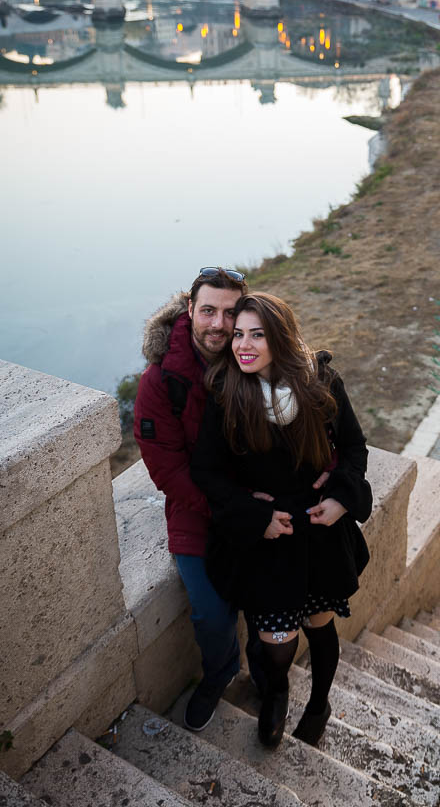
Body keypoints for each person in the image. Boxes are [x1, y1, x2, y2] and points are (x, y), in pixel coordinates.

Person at [191, 292, 372, 749]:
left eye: (257, 335)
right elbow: (206, 472)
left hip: (320, 532)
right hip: (269, 538)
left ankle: (319, 703)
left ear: (281, 339)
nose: (243, 346)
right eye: (238, 335)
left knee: (321, 626)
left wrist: (340, 500)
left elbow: (354, 448)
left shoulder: (321, 382)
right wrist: (256, 517)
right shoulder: (226, 392)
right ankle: (276, 696)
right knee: (274, 643)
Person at [134, 267, 255, 732]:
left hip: (255, 502)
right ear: (189, 310)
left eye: (230, 313)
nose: (218, 325)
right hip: (197, 511)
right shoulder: (161, 381)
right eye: (208, 311)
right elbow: (167, 470)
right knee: (211, 611)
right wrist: (230, 511)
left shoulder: (254, 357)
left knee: (270, 595)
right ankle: (220, 671)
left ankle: (269, 675)